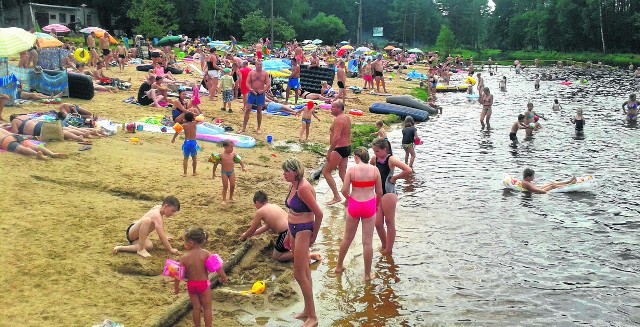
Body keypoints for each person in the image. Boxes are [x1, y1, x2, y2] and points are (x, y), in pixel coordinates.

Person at [281, 158, 323, 327]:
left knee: (299, 274)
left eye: (286, 171)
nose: (283, 174)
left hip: (304, 230)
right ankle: (307, 310)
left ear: (296, 172)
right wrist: (288, 234)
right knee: (305, 271)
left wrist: (313, 236)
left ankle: (313, 317)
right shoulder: (294, 185)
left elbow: (319, 214)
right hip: (294, 229)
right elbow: (292, 211)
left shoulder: (304, 188)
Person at [334, 147, 382, 281]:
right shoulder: (375, 170)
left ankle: (338, 266)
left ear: (356, 157)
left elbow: (344, 190)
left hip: (355, 204)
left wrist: (350, 201)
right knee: (367, 242)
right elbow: (379, 192)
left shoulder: (351, 170)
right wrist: (376, 205)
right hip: (369, 205)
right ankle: (367, 275)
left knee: (347, 238)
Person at [241, 191, 322, 263]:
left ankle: (308, 255)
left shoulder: (260, 211)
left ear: (257, 202)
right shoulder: (273, 206)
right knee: (291, 247)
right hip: (293, 227)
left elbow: (252, 229)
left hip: (286, 232)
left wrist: (244, 236)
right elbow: (266, 227)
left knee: (276, 257)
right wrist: (253, 234)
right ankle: (304, 252)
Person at [173, 227, 228, 327]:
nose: (185, 244)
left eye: (186, 242)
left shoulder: (184, 258)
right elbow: (217, 267)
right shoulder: (206, 253)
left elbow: (178, 275)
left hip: (191, 285)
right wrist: (224, 277)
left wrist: (176, 288)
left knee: (196, 307)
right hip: (203, 284)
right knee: (207, 308)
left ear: (191, 242)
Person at [370, 138, 413, 256]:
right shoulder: (374, 159)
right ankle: (384, 244)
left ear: (385, 149)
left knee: (389, 221)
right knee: (377, 223)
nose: (375, 154)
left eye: (377, 151)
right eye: (374, 151)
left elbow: (408, 170)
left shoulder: (391, 159)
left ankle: (389, 250)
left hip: (389, 193)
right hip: (378, 193)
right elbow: (370, 169)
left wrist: (395, 178)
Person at [113, 196, 181, 258]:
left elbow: (159, 229)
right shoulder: (157, 215)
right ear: (165, 206)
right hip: (133, 232)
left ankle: (120, 248)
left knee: (149, 246)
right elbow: (161, 235)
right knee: (147, 220)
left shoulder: (159, 208)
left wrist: (165, 238)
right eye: (172, 211)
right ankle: (141, 249)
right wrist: (171, 249)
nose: (173, 214)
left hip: (139, 236)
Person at [322, 101, 351, 205]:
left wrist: (330, 151)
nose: (331, 109)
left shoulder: (338, 120)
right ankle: (348, 198)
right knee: (343, 173)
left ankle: (336, 196)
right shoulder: (346, 117)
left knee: (326, 172)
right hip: (347, 147)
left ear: (339, 108)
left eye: (333, 107)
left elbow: (337, 137)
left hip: (338, 149)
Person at [212, 140, 247, 205]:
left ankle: (231, 197)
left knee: (233, 185)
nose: (232, 149)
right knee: (225, 186)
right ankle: (224, 200)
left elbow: (240, 161)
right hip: (224, 172)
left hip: (231, 172)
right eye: (230, 147)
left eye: (232, 147)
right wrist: (213, 174)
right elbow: (215, 164)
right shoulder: (221, 156)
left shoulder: (233, 155)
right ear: (225, 147)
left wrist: (243, 167)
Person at [241, 60, 270, 134]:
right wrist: (250, 89)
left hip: (260, 93)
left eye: (260, 64)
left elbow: (268, 83)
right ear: (255, 65)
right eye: (258, 64)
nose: (259, 66)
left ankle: (258, 127)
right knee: (248, 109)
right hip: (252, 92)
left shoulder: (265, 74)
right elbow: (247, 82)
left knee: (259, 110)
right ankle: (243, 127)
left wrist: (263, 90)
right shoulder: (251, 73)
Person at [0, 128, 67, 160]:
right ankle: (52, 153)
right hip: (15, 136)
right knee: (33, 146)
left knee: (22, 149)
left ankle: (36, 154)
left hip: (5, 140)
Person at [10, 115, 86, 142]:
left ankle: (78, 138)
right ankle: (83, 133)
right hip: (40, 123)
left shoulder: (14, 121)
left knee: (59, 132)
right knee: (62, 129)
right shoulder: (24, 116)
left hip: (36, 129)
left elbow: (15, 133)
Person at [171, 112, 198, 177]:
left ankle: (185, 173)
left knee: (186, 158)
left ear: (185, 119)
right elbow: (200, 117)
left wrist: (173, 138)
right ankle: (194, 172)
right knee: (194, 157)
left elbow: (177, 132)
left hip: (187, 142)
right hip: (193, 142)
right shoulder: (194, 124)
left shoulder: (184, 125)